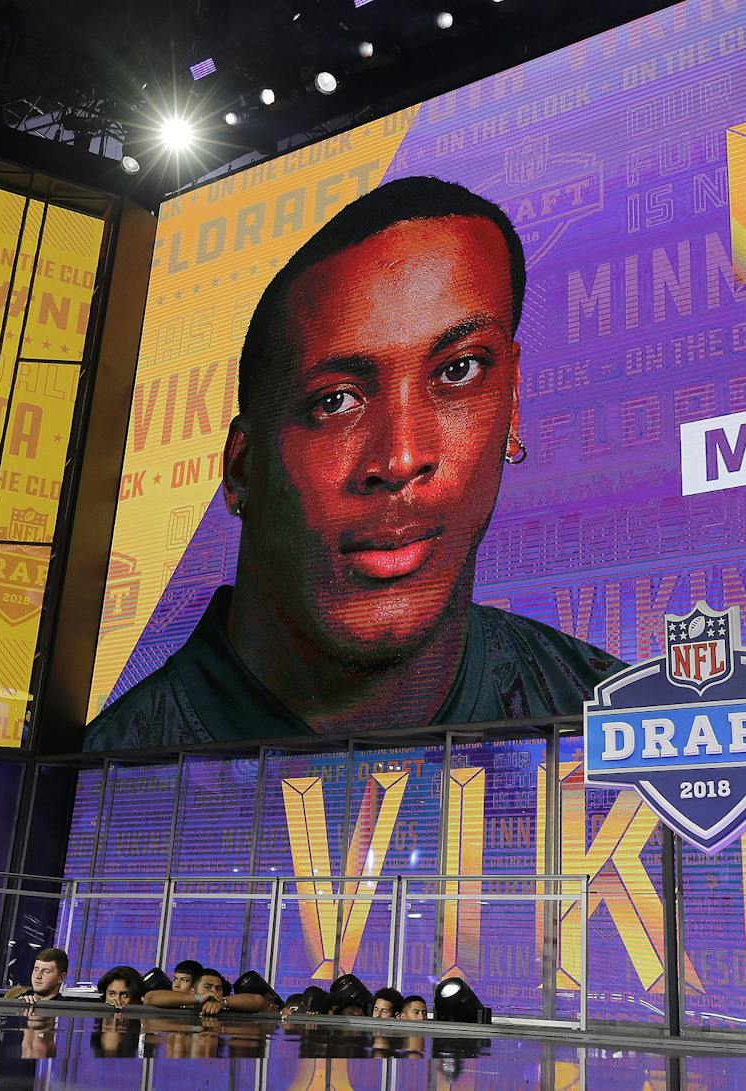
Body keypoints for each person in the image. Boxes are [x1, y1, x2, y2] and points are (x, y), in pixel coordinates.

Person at [85, 176, 624, 751]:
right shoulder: (106, 779)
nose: (400, 459)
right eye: (335, 401)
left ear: (512, 402)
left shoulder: (621, 725)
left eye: (458, 371)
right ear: (242, 469)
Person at [143, 967, 266, 1016]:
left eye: (218, 988)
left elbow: (259, 1001)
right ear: (192, 991)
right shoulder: (181, 1007)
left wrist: (223, 1002)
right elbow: (150, 998)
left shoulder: (227, 1006)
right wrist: (198, 999)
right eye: (207, 987)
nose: (213, 992)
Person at [3, 947, 68, 1002]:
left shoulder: (67, 1008)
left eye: (46, 971)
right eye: (36, 969)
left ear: (61, 978)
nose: (37, 976)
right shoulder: (16, 997)